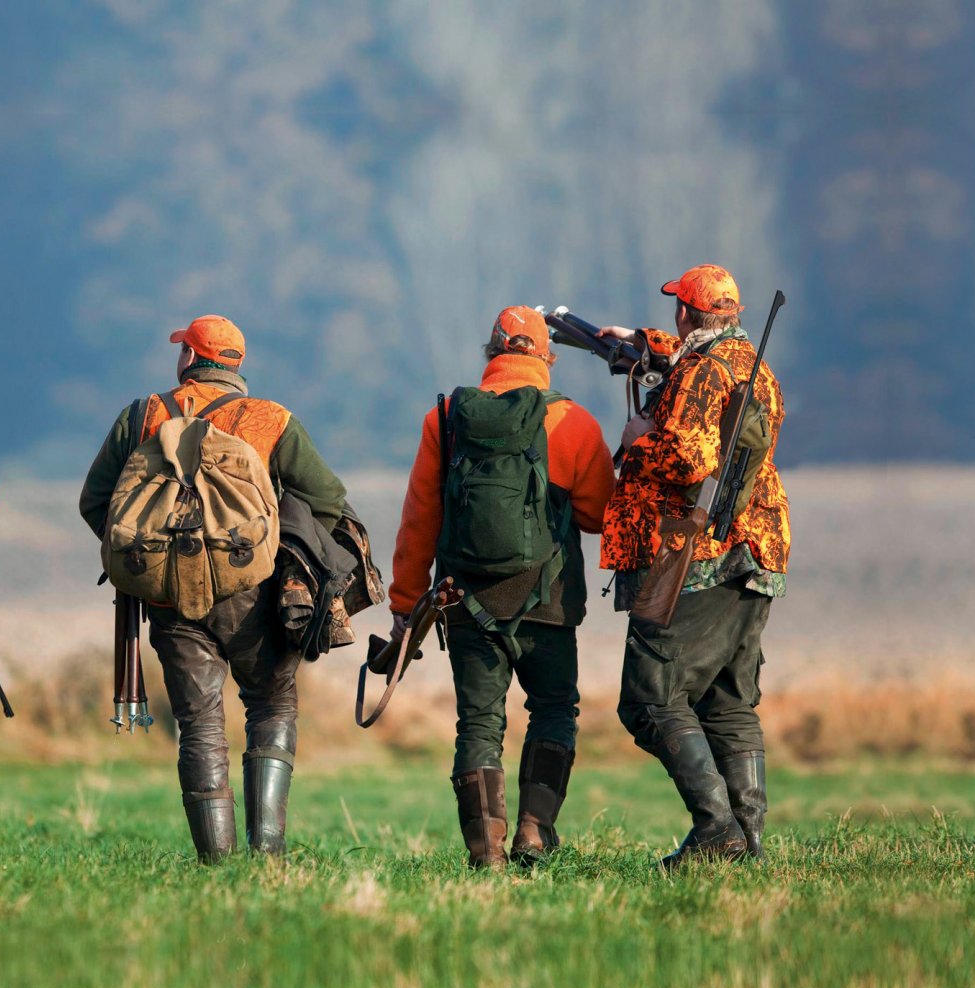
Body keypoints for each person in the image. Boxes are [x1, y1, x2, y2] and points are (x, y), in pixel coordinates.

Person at [79, 314, 347, 862]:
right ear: (236, 365)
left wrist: (147, 561)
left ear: (189, 359)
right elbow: (328, 498)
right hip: (256, 595)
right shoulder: (272, 418)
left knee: (198, 724)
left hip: (168, 599)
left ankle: (216, 860)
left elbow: (95, 503)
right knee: (271, 705)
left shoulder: (142, 416)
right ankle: (267, 849)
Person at [389, 306, 615, 868]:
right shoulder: (574, 423)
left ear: (491, 353)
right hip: (550, 602)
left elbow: (420, 518)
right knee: (554, 709)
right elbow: (598, 516)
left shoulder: (442, 420)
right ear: (547, 357)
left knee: (479, 723)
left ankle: (486, 850)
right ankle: (535, 833)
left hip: (466, 604)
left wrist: (402, 605)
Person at [597, 264, 789, 867]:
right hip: (758, 551)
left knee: (649, 696)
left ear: (688, 312)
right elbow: (683, 365)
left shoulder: (703, 373)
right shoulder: (749, 367)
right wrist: (637, 341)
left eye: (677, 308)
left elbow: (688, 454)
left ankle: (716, 830)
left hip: (696, 557)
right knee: (728, 700)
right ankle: (746, 845)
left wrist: (636, 438)